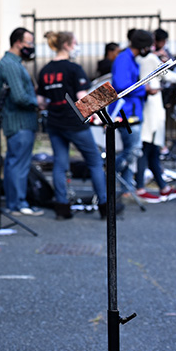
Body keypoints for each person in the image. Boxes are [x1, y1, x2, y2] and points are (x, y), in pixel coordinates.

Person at [36, 31, 112, 220]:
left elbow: (41, 102)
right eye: (75, 43)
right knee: (94, 162)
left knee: (60, 164)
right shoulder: (74, 68)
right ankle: (105, 206)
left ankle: (62, 207)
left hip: (55, 122)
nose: (77, 46)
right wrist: (105, 103)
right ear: (68, 45)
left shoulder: (45, 70)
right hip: (74, 123)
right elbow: (81, 98)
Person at [0, 27, 43, 217]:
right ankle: (17, 203)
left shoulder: (14, 63)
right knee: (18, 165)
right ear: (18, 43)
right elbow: (20, 96)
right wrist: (37, 102)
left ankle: (17, 202)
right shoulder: (10, 65)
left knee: (16, 164)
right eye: (28, 42)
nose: (31, 47)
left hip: (21, 122)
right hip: (19, 122)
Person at [134, 44, 176, 203]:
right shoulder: (149, 58)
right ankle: (141, 188)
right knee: (147, 148)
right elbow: (167, 75)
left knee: (152, 150)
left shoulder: (143, 58)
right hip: (152, 109)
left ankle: (163, 187)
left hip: (151, 108)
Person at [110, 29, 154, 201]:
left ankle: (127, 188)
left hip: (132, 111)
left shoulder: (128, 58)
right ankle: (110, 170)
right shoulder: (123, 59)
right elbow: (122, 85)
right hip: (126, 113)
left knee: (131, 149)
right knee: (134, 150)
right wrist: (145, 88)